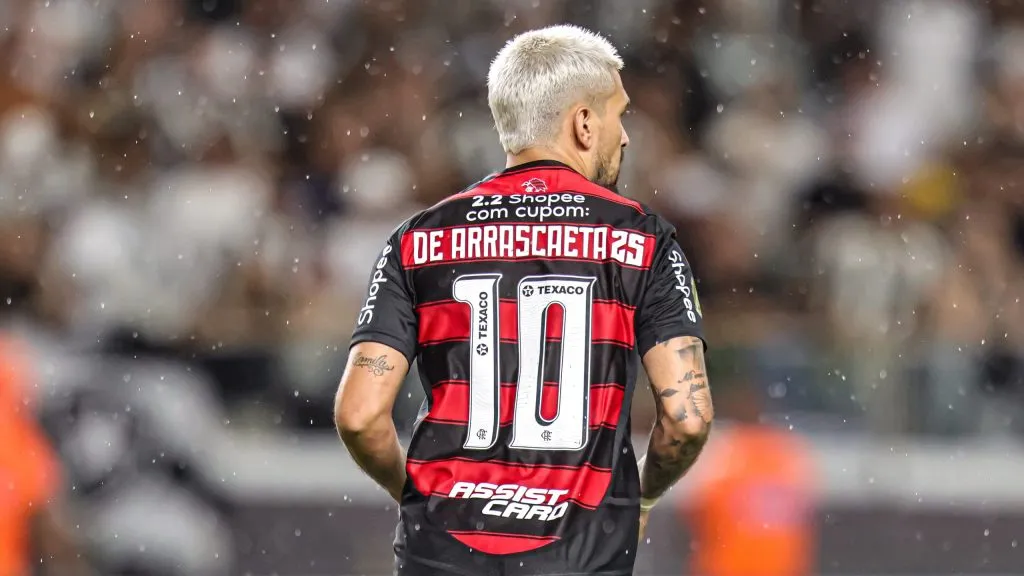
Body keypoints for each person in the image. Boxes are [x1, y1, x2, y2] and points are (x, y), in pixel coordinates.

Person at [336, 24, 713, 576]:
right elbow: (687, 419)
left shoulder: (420, 239)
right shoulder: (642, 241)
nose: (625, 134)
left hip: (442, 551)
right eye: (619, 113)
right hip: (579, 553)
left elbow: (360, 414)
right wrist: (644, 499)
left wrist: (423, 500)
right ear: (584, 123)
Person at [680, 379, 816, 576]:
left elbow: (695, 508)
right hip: (780, 567)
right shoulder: (788, 453)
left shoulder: (725, 454)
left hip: (730, 567)